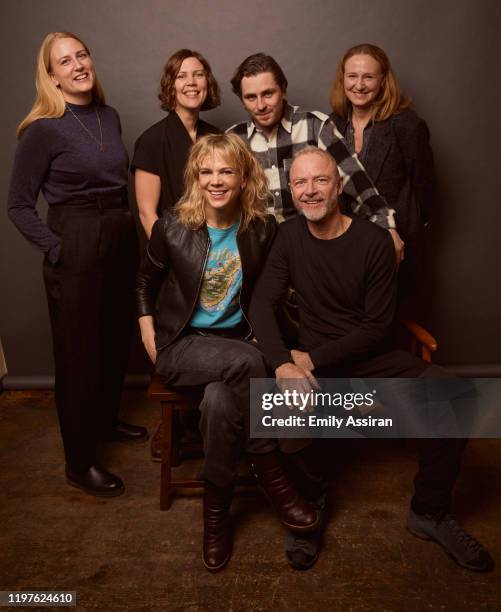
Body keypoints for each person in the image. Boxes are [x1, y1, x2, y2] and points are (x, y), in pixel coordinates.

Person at [249, 147, 494, 573]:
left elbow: (375, 328)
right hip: (315, 366)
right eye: (301, 183)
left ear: (339, 185)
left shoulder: (375, 241)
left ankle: (429, 512)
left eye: (320, 180)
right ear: (291, 190)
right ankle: (310, 507)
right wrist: (283, 363)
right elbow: (261, 304)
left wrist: (310, 358)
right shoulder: (288, 237)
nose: (310, 191)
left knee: (457, 396)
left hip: (369, 359)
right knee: (280, 414)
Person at [136, 133, 320, 572]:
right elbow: (144, 282)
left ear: (243, 179)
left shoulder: (260, 229)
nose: (215, 181)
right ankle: (271, 473)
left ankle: (214, 516)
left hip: (236, 345)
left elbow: (270, 295)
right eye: (206, 172)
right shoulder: (172, 226)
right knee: (250, 361)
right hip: (182, 346)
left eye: (226, 171)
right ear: (196, 178)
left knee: (221, 401)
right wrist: (148, 335)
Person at [7, 32, 146, 497]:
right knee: (78, 354)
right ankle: (79, 460)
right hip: (76, 237)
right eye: (65, 62)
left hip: (118, 235)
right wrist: (58, 247)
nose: (78, 66)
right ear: (52, 76)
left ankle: (104, 423)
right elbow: (19, 206)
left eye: (82, 55)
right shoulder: (42, 130)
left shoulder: (109, 116)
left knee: (112, 342)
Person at [227, 52, 404, 261]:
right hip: (258, 253)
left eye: (268, 94)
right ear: (242, 100)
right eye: (250, 97)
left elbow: (356, 181)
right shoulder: (233, 140)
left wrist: (386, 226)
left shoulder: (315, 125)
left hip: (311, 251)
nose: (260, 105)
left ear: (283, 89)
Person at [131, 49, 221, 461]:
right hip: (170, 260)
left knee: (214, 334)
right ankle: (172, 424)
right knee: (177, 334)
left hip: (215, 254)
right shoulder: (151, 139)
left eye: (199, 75)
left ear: (208, 84)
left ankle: (206, 420)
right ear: (170, 86)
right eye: (182, 76)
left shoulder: (216, 136)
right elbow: (148, 213)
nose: (191, 82)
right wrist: (175, 258)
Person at [330, 43, 434, 316]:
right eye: (352, 76)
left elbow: (425, 188)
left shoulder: (408, 126)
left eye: (369, 77)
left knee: (392, 322)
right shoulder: (332, 125)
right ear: (343, 80)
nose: (359, 85)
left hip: (396, 242)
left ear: (383, 81)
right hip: (346, 244)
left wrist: (408, 227)